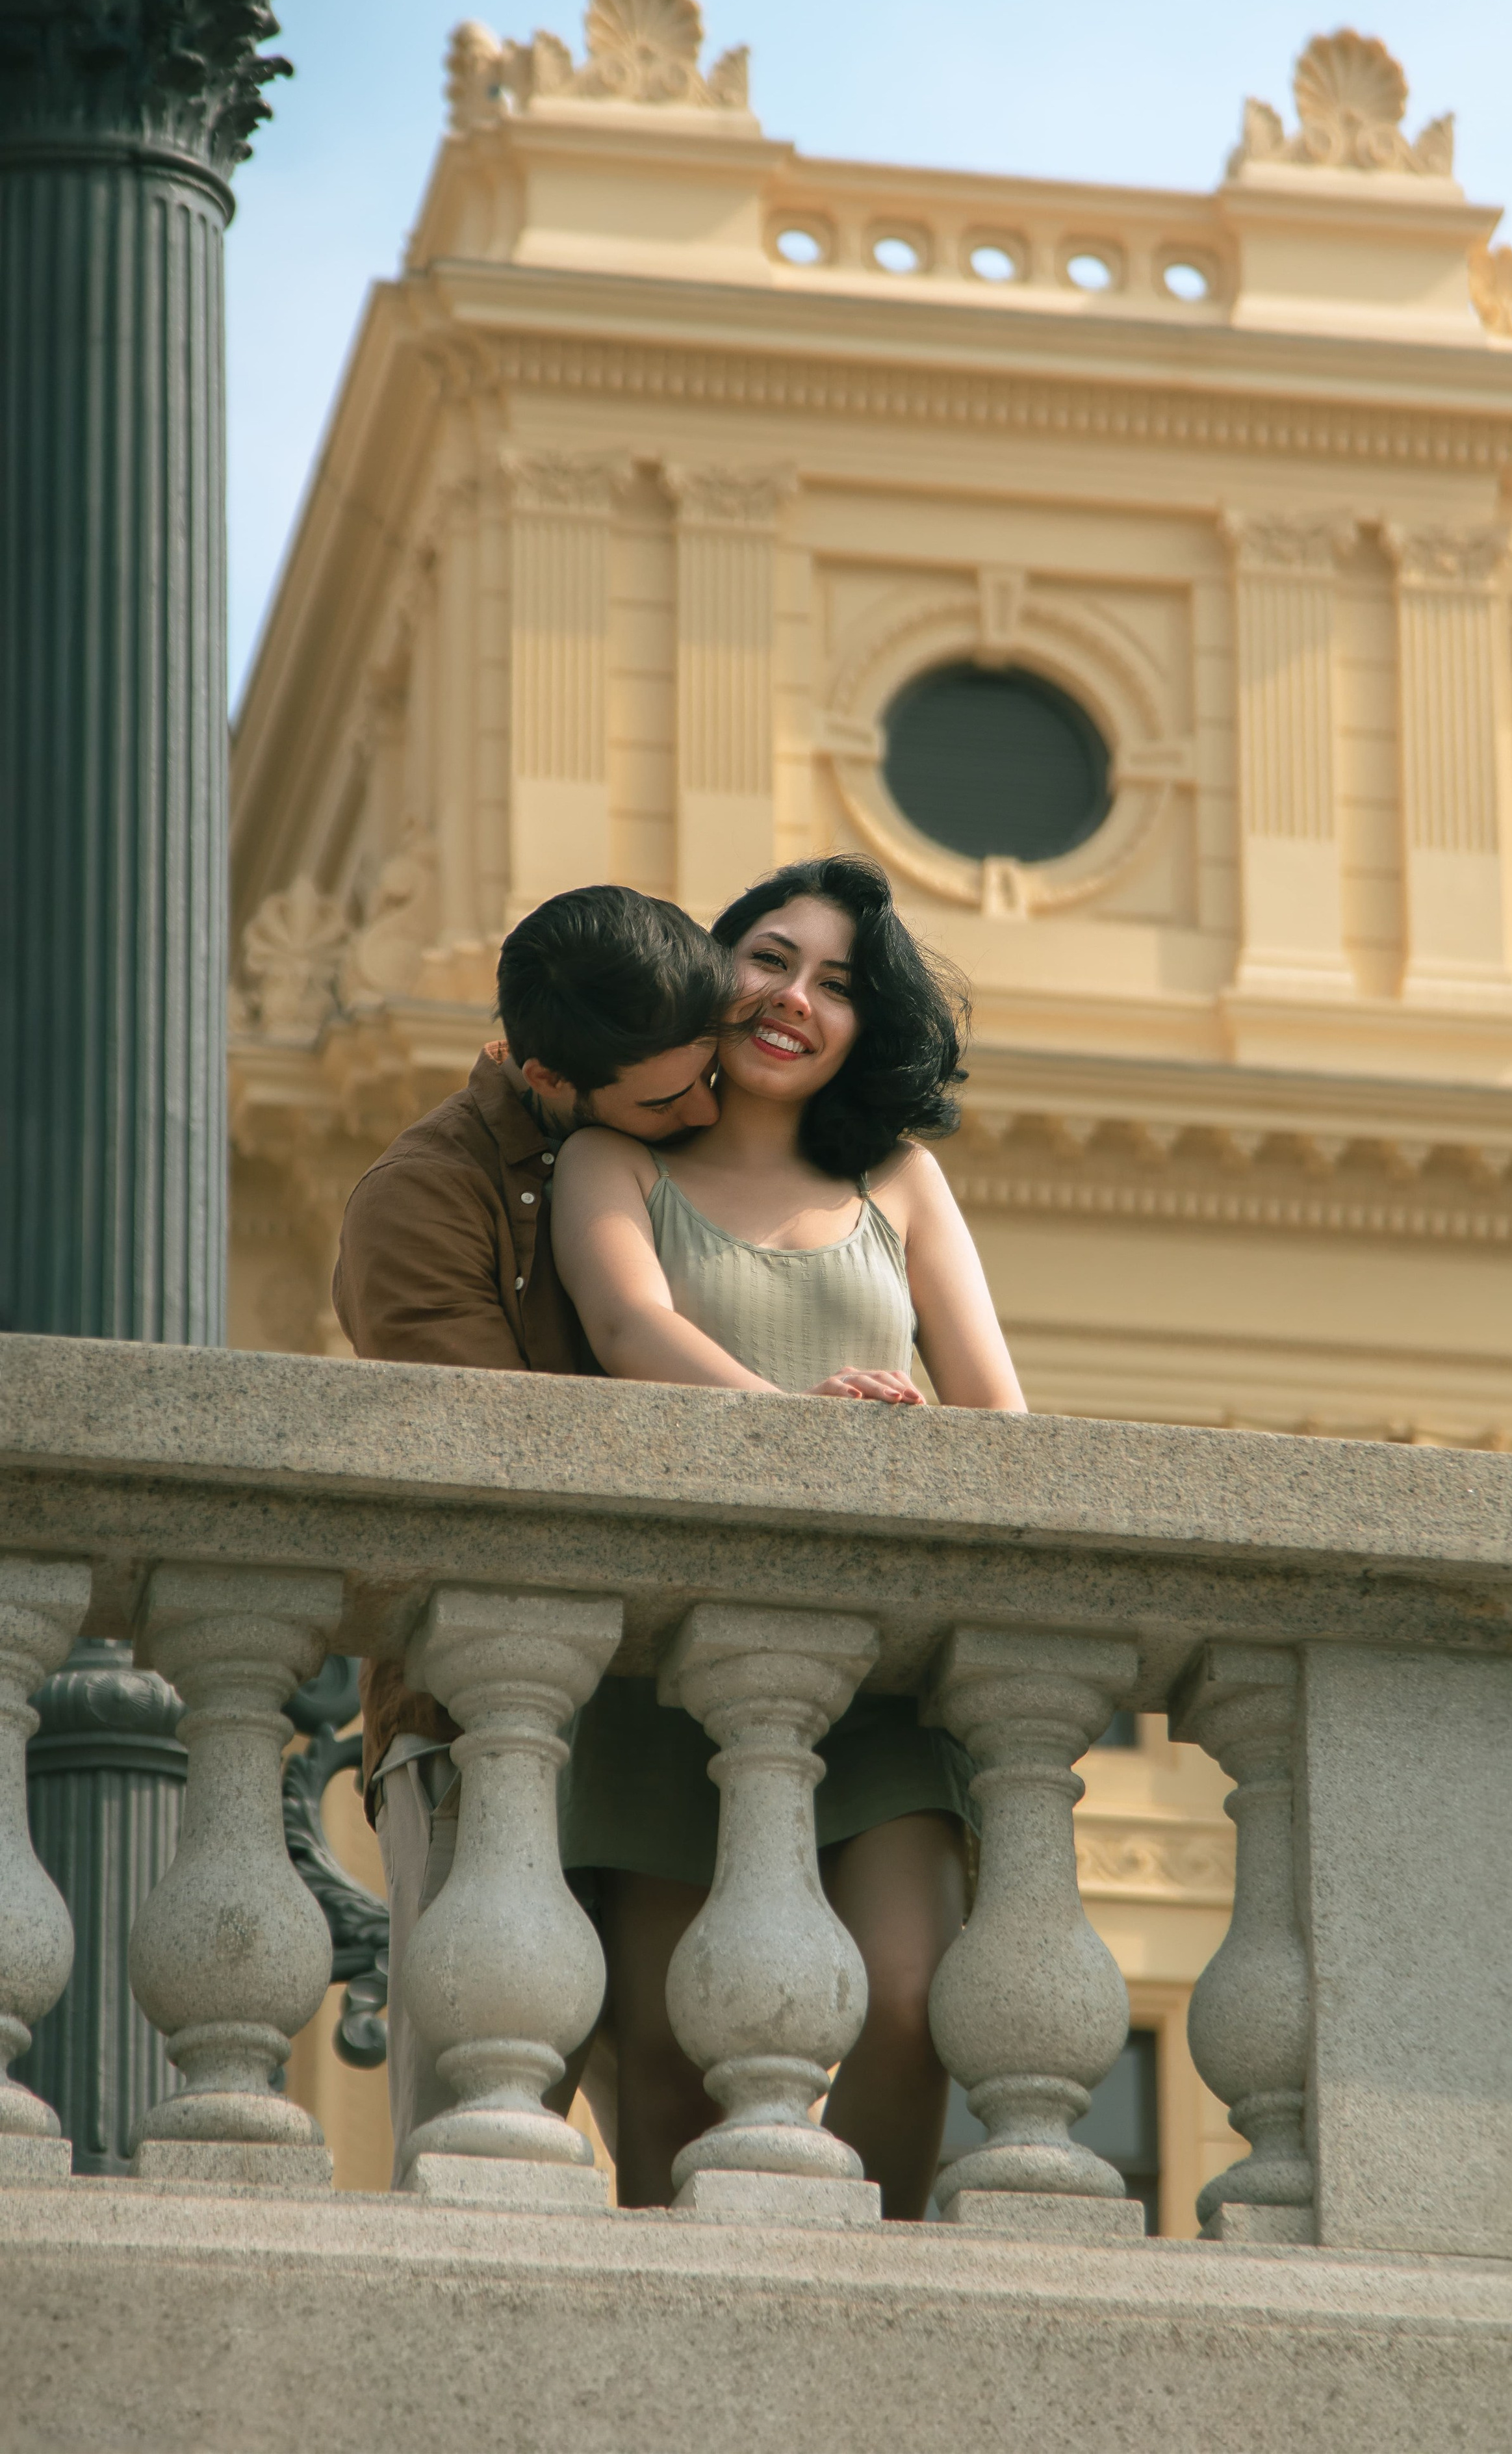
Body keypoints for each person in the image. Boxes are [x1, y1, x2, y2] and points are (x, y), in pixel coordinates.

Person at [554, 855, 1027, 2217]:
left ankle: (853, 2310)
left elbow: (999, 1419)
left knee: (906, 1998)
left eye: (834, 982)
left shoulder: (901, 1180)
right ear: (713, 969)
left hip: (880, 1680)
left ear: (865, 1024)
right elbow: (629, 1328)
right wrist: (793, 1426)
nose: (792, 998)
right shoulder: (613, 1156)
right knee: (665, 2074)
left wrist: (901, 1429)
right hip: (663, 1670)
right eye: (769, 957)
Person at [331, 883, 735, 2166]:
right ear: (552, 1074)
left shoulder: (712, 1150)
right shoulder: (423, 1198)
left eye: (710, 1074)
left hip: (681, 1718)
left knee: (703, 2150)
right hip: (489, 1716)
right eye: (669, 1100)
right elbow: (493, 1471)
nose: (707, 1113)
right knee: (479, 2140)